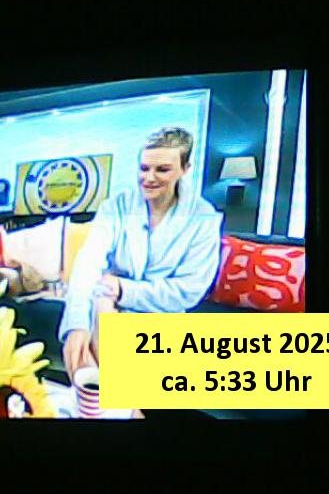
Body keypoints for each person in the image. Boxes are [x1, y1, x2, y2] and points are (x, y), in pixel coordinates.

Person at [58, 127, 223, 380]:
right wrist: (77, 324)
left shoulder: (204, 219)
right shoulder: (116, 206)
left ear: (185, 169)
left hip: (161, 317)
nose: (149, 178)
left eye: (162, 170)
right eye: (144, 168)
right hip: (106, 306)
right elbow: (88, 263)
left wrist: (124, 289)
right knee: (97, 315)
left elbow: (188, 291)